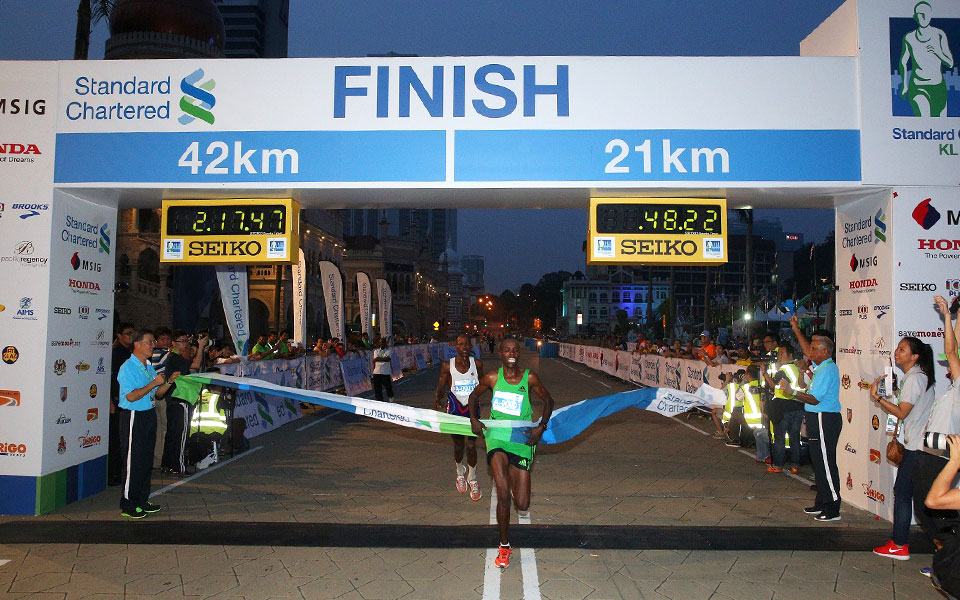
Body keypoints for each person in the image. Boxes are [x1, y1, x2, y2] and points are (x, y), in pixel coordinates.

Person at [469, 338, 554, 569]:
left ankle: (515, 492)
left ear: (519, 353)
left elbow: (548, 400)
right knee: (503, 493)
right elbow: (474, 396)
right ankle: (504, 546)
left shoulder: (530, 378)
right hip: (497, 436)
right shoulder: (492, 378)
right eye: (507, 349)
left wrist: (541, 427)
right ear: (501, 353)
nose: (511, 353)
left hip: (522, 439)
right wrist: (474, 419)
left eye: (515, 349)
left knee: (523, 504)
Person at [869, 336, 937, 560]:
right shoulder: (914, 377)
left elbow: (901, 412)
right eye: (897, 348)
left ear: (915, 356)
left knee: (912, 497)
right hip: (916, 445)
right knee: (911, 496)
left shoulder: (916, 378)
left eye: (902, 349)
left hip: (917, 447)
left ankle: (902, 544)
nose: (897, 353)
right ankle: (902, 542)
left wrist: (877, 398)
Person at [913, 296, 960, 554]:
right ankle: (946, 554)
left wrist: (947, 318)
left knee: (929, 508)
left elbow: (952, 351)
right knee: (930, 508)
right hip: (937, 453)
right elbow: (955, 350)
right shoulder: (955, 388)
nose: (950, 364)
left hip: (939, 456)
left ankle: (947, 554)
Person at [117, 329, 179, 519]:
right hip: (134, 415)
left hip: (148, 413)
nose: (153, 345)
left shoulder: (147, 365)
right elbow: (131, 395)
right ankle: (128, 504)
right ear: (137, 344)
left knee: (145, 460)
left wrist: (168, 381)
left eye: (153, 342)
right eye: (150, 342)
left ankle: (141, 499)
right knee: (132, 460)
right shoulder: (128, 367)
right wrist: (153, 384)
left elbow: (158, 393)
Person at [789, 315, 842, 521]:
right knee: (819, 463)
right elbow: (809, 388)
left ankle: (832, 508)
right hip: (817, 417)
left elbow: (813, 398)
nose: (809, 351)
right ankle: (822, 502)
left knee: (826, 464)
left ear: (825, 351)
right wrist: (803, 374)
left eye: (813, 348)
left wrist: (791, 392)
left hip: (823, 417)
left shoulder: (828, 369)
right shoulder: (820, 369)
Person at [435, 334, 485, 501]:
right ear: (455, 347)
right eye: (460, 344)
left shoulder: (476, 364)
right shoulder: (447, 365)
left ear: (471, 346)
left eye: (467, 344)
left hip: (472, 409)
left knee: (471, 445)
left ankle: (473, 477)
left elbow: (483, 385)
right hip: (455, 408)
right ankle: (459, 471)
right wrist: (437, 400)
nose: (464, 347)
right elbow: (441, 385)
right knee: (458, 446)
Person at [160, 331, 207, 477]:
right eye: (181, 341)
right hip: (181, 398)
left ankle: (167, 465)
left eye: (186, 341)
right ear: (173, 343)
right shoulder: (175, 357)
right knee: (181, 435)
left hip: (173, 399)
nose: (185, 344)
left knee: (173, 433)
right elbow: (195, 365)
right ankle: (179, 466)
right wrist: (200, 347)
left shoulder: (174, 357)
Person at [899, 1, 954, 117]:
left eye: (926, 13)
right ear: (915, 16)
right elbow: (903, 62)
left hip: (938, 86)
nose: (923, 16)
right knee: (925, 120)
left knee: (941, 125)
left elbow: (950, 63)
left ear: (931, 14)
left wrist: (938, 52)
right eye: (920, 13)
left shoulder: (939, 35)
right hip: (918, 85)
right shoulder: (909, 38)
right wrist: (904, 84)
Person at [763, 344, 805, 474]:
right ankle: (795, 465)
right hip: (798, 406)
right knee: (794, 438)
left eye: (782, 353)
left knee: (779, 438)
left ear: (790, 355)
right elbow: (803, 386)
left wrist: (765, 374)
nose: (780, 356)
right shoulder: (800, 367)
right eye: (779, 353)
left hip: (783, 407)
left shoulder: (784, 369)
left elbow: (773, 386)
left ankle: (778, 465)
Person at [108, 322, 135, 486]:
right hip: (118, 401)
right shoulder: (116, 354)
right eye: (127, 333)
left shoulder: (129, 353)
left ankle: (121, 472)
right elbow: (111, 379)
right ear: (119, 336)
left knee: (125, 440)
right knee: (117, 440)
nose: (131, 336)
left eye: (133, 333)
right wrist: (111, 401)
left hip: (128, 400)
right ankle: (114, 474)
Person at [150, 326, 173, 469]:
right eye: (162, 339)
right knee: (164, 428)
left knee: (158, 429)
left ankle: (156, 460)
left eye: (167, 339)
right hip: (162, 393)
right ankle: (162, 458)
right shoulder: (166, 355)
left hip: (152, 394)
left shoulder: (150, 355)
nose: (165, 341)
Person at [371, 337, 394, 403]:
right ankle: (379, 400)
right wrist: (382, 358)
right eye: (380, 342)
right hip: (377, 371)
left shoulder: (389, 350)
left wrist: (379, 358)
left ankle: (390, 395)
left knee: (388, 386)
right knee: (377, 387)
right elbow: (375, 359)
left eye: (383, 342)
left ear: (385, 343)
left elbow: (388, 359)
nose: (381, 344)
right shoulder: (376, 351)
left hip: (385, 371)